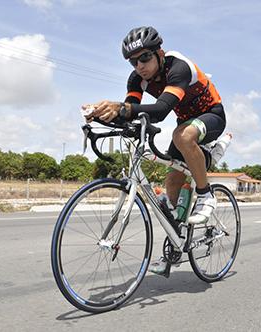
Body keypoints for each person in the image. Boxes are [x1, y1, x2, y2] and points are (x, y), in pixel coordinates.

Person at [83, 26, 226, 275]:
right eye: (132, 61)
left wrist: (121, 107)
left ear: (159, 53)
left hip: (211, 115)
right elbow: (132, 112)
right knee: (172, 179)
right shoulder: (136, 79)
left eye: (144, 57)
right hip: (185, 124)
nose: (139, 66)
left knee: (182, 135)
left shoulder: (178, 67)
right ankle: (173, 246)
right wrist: (102, 115)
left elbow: (159, 111)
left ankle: (206, 195)